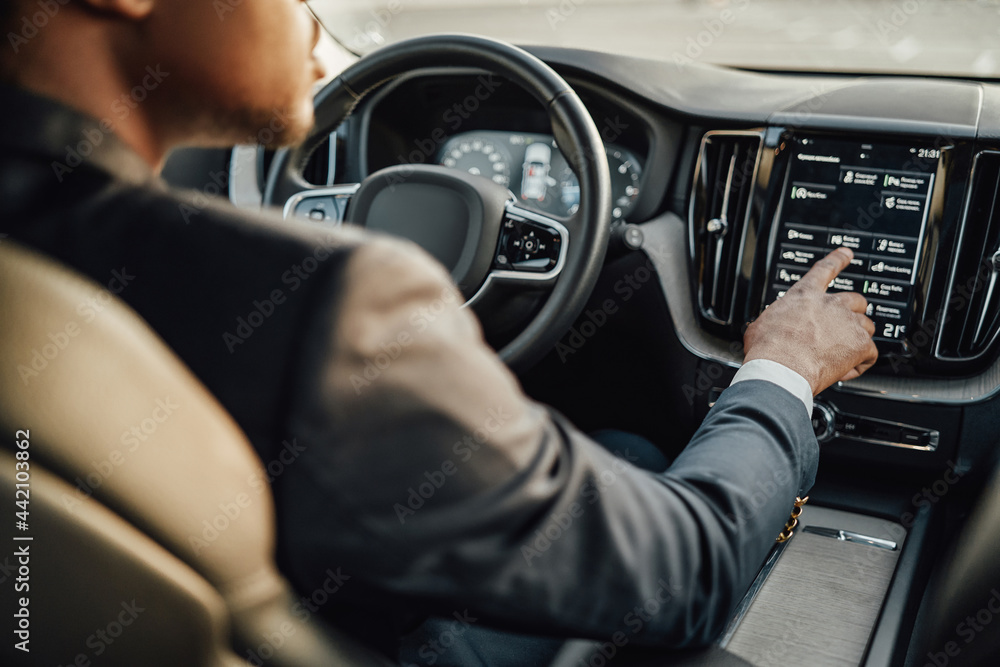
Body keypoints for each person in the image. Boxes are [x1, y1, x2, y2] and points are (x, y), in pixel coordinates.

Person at [0, 0, 878, 664]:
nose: (313, 17)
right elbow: (690, 569)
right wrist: (784, 369)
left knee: (621, 446)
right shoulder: (336, 299)